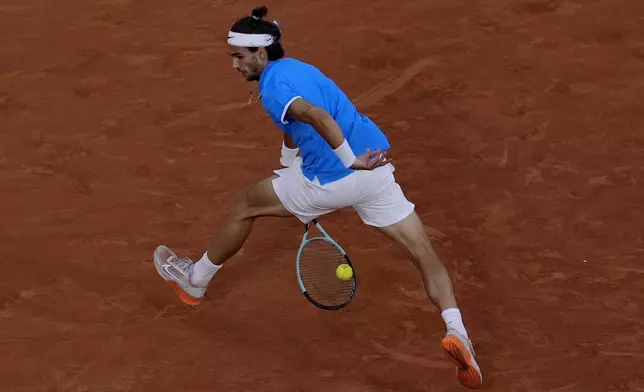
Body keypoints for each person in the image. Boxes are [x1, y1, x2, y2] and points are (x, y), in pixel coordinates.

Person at [153, 6, 483, 389]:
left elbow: (315, 116)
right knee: (423, 253)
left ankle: (196, 279)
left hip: (337, 175)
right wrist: (291, 162)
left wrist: (347, 162)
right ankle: (457, 331)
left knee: (245, 205)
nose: (234, 66)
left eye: (238, 57)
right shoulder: (297, 68)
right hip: (376, 168)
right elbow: (294, 125)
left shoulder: (272, 89)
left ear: (260, 53)